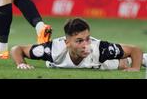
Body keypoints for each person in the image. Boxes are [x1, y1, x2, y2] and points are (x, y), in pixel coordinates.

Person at [11, 17, 146, 71]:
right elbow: (17, 49)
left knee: (124, 63)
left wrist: (135, 68)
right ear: (67, 42)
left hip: (104, 63)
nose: (85, 44)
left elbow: (135, 50)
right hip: (58, 60)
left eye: (87, 38)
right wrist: (21, 63)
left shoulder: (100, 48)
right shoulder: (52, 50)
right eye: (79, 41)